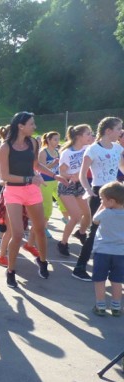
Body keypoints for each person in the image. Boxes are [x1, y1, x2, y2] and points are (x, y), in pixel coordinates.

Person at [0, 112, 66, 288]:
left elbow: (36, 165)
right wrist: (30, 179)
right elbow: (5, 176)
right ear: (20, 126)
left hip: (32, 190)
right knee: (18, 233)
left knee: (40, 229)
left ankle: (43, 261)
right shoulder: (5, 147)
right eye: (31, 124)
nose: (34, 127)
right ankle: (11, 270)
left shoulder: (33, 143)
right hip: (13, 191)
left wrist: (54, 175)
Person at [73, 116, 124, 281]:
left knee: (117, 229)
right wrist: (89, 190)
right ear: (108, 131)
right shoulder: (93, 149)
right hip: (99, 192)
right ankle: (80, 267)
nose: (121, 132)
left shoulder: (117, 148)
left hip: (116, 191)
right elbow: (82, 174)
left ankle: (113, 267)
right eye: (118, 128)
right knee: (95, 231)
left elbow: (121, 166)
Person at [56, 125, 93, 256]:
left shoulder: (88, 148)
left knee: (88, 214)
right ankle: (63, 243)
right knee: (76, 216)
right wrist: (72, 176)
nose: (90, 136)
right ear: (78, 136)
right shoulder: (67, 153)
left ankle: (81, 233)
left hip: (80, 185)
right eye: (88, 134)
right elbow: (62, 172)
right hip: (67, 185)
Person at [91, 181, 124, 316]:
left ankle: (101, 306)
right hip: (120, 253)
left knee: (100, 279)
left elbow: (94, 220)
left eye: (102, 199)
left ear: (111, 201)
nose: (101, 201)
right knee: (117, 281)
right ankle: (116, 307)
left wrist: (101, 207)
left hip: (102, 251)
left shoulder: (105, 213)